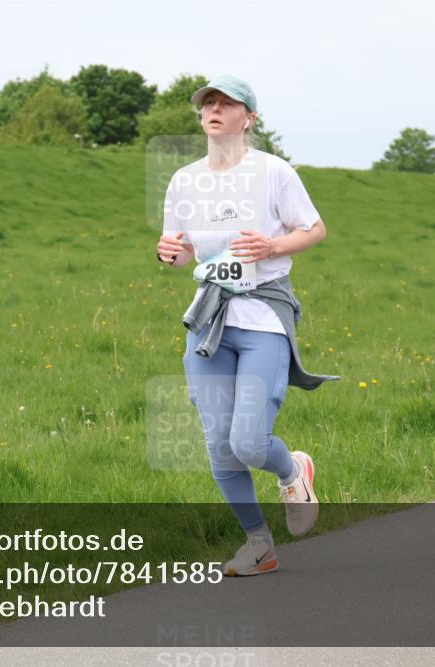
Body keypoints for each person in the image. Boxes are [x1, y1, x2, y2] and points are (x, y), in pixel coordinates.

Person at [156, 74, 336, 576]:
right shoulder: (183, 180)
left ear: (248, 118)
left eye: (225, 103)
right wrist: (168, 252)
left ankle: (292, 468)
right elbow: (182, 250)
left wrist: (273, 247)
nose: (213, 109)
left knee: (249, 443)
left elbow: (314, 228)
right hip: (209, 320)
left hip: (261, 318)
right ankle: (259, 544)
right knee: (218, 444)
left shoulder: (273, 172)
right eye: (206, 103)